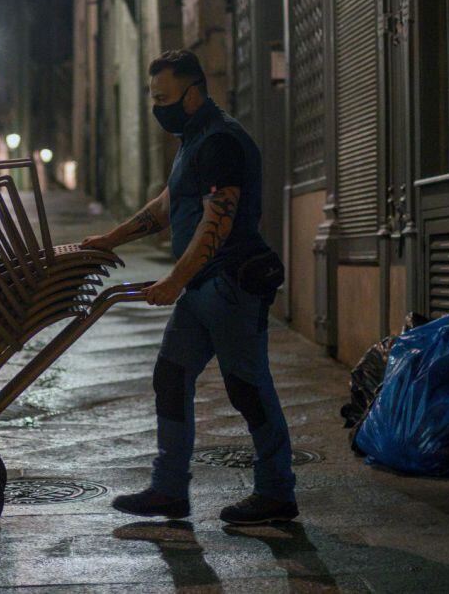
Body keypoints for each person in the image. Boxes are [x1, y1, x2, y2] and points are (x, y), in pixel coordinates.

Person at [81, 49, 298, 525]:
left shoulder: (221, 141)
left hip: (231, 285)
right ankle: (169, 490)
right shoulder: (194, 137)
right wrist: (110, 239)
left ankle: (277, 491)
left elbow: (215, 221)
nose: (159, 107)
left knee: (247, 387)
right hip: (203, 287)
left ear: (194, 92)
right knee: (171, 377)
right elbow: (168, 203)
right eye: (153, 97)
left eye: (165, 97)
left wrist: (174, 279)